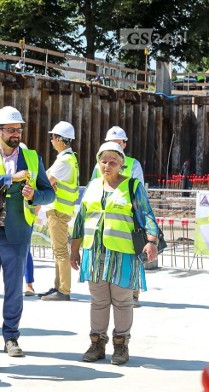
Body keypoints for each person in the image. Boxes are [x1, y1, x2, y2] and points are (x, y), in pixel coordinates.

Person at [0, 106, 54, 358]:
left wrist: (35, 195)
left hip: (17, 232)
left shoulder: (33, 158)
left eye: (19, 129)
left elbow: (49, 193)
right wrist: (11, 178)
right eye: (11, 130)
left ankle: (11, 337)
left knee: (14, 289)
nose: (17, 134)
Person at [71, 142, 159, 365]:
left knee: (122, 301)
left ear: (122, 164)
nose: (107, 165)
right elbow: (81, 220)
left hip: (123, 253)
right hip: (95, 252)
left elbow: (147, 214)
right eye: (103, 161)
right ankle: (97, 343)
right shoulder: (92, 186)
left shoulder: (132, 186)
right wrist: (74, 250)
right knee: (98, 301)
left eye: (113, 162)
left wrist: (152, 241)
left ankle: (121, 345)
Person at [90, 126, 145, 307]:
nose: (113, 146)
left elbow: (138, 192)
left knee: (133, 256)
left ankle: (133, 293)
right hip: (105, 219)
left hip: (127, 217)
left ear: (125, 144)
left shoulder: (133, 164)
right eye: (110, 142)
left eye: (117, 142)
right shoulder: (100, 164)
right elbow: (93, 189)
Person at [39, 121, 79, 301]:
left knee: (60, 251)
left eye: (53, 137)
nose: (51, 140)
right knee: (58, 250)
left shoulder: (64, 161)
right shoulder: (68, 158)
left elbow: (46, 180)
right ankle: (58, 287)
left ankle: (63, 290)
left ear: (61, 139)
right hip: (60, 210)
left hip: (58, 211)